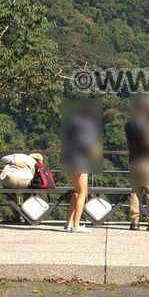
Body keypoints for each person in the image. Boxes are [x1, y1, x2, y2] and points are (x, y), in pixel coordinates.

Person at [124, 94, 149, 231]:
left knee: (136, 192)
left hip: (134, 161)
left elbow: (129, 145)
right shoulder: (145, 124)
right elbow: (148, 142)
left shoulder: (129, 124)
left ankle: (134, 222)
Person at [62, 99, 102, 233]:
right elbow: (86, 143)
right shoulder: (88, 124)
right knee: (82, 192)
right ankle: (76, 225)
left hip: (69, 157)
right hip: (80, 159)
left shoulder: (72, 121)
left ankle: (69, 223)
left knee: (76, 191)